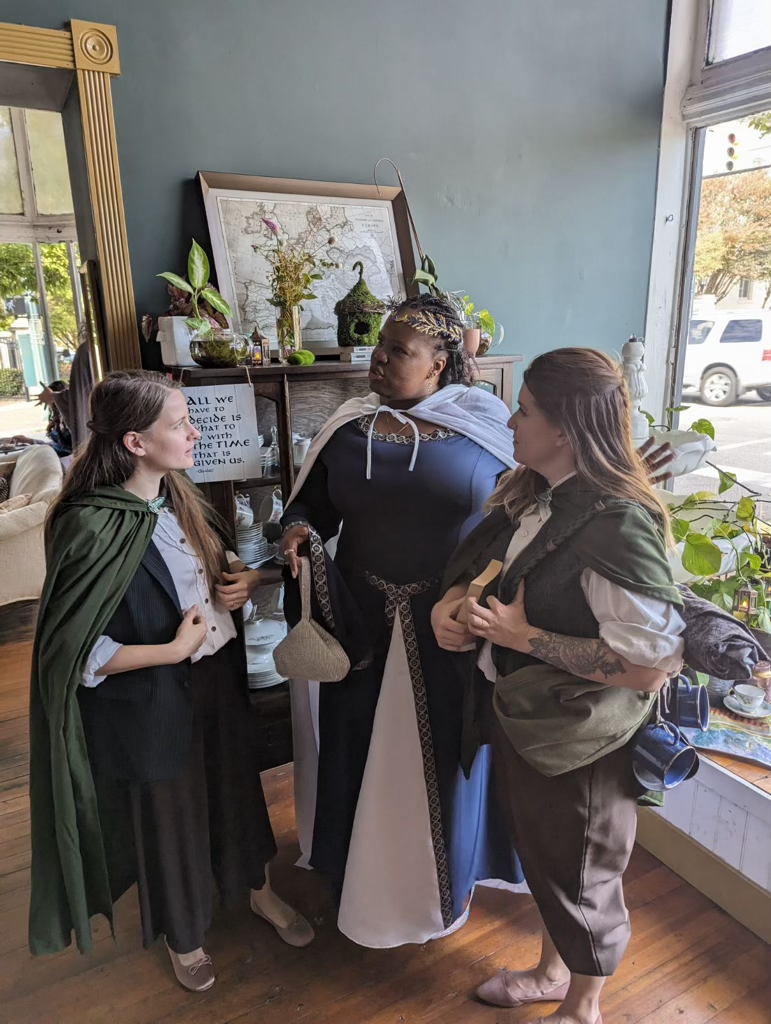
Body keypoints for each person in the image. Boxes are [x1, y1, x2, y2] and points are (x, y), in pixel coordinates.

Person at [29, 370, 313, 994]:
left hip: (217, 680)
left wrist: (240, 578)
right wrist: (172, 650)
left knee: (235, 789)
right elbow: (76, 654)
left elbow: (210, 564)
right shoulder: (88, 524)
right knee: (169, 815)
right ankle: (184, 933)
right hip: (149, 699)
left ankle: (257, 888)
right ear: (135, 442)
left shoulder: (180, 496)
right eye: (180, 424)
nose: (194, 433)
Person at [432, 348, 685, 1024]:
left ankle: (582, 1008)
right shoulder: (538, 495)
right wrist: (453, 608)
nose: (510, 421)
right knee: (550, 861)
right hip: (534, 723)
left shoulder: (614, 525)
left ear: (565, 429)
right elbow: (490, 564)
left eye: (524, 410)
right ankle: (550, 975)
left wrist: (522, 639)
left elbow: (648, 666)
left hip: (582, 741)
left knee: (584, 877)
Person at [279, 293, 526, 948]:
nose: (379, 361)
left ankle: (436, 891)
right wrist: (297, 529)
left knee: (442, 759)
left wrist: (484, 601)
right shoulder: (348, 427)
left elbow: (518, 527)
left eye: (398, 351)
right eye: (379, 347)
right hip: (359, 622)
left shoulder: (488, 429)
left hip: (447, 629)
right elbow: (309, 506)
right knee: (356, 748)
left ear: (439, 362)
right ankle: (354, 880)